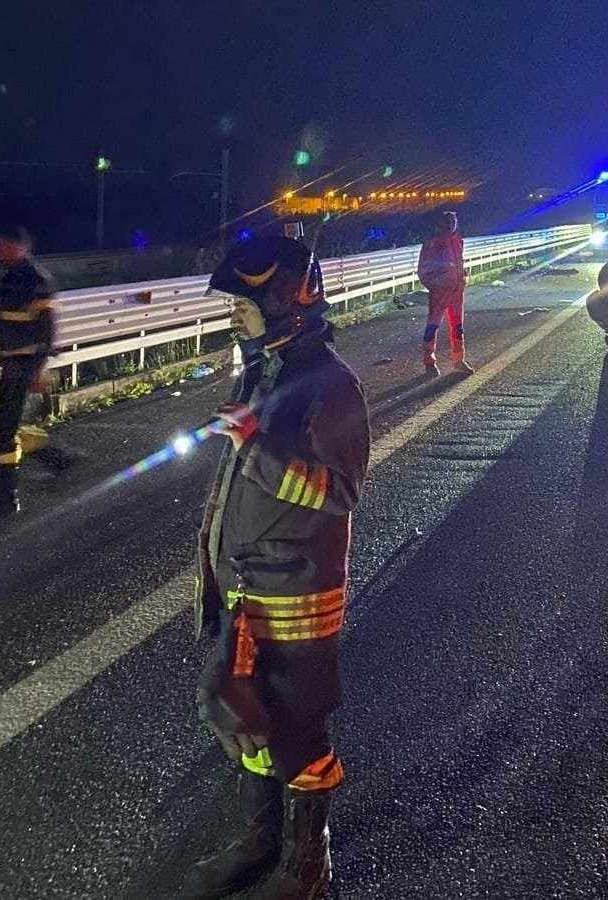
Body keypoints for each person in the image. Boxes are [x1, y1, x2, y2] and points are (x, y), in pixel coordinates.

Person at [185, 235, 370, 899]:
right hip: (245, 584)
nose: (235, 316)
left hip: (295, 593)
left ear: (285, 302)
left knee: (298, 728)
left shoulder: (332, 385)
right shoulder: (266, 371)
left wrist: (255, 447)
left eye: (245, 304)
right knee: (244, 714)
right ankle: (263, 841)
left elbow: (339, 491)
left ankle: (307, 867)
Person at [0, 225, 56, 519]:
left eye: (0, 246)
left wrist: (39, 368)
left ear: (16, 247)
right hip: (12, 363)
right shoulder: (11, 278)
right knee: (7, 427)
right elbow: (14, 321)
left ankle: (6, 499)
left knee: (3, 432)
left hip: (24, 365)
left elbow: (45, 328)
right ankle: (58, 459)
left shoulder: (34, 279)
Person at [417, 210, 473, 377]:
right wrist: (434, 286)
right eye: (448, 222)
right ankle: (429, 361)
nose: (451, 225)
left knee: (458, 327)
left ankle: (458, 360)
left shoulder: (458, 241)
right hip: (440, 292)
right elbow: (423, 270)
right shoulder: (433, 243)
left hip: (456, 291)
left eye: (453, 222)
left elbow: (457, 264)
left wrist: (462, 277)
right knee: (433, 326)